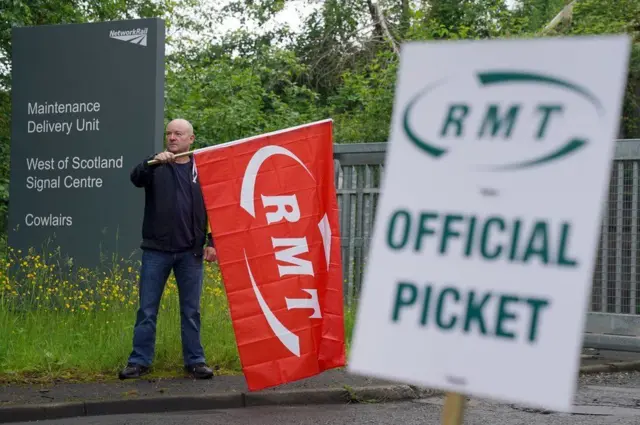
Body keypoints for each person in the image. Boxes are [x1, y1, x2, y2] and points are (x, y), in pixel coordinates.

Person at [119, 118, 217, 380]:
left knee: (191, 310)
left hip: (191, 253)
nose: (172, 138)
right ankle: (139, 361)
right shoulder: (155, 165)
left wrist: (212, 242)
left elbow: (215, 208)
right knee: (147, 309)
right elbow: (135, 178)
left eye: (178, 134)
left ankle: (195, 361)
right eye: (169, 133)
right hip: (156, 251)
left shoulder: (202, 169)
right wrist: (151, 163)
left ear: (191, 139)